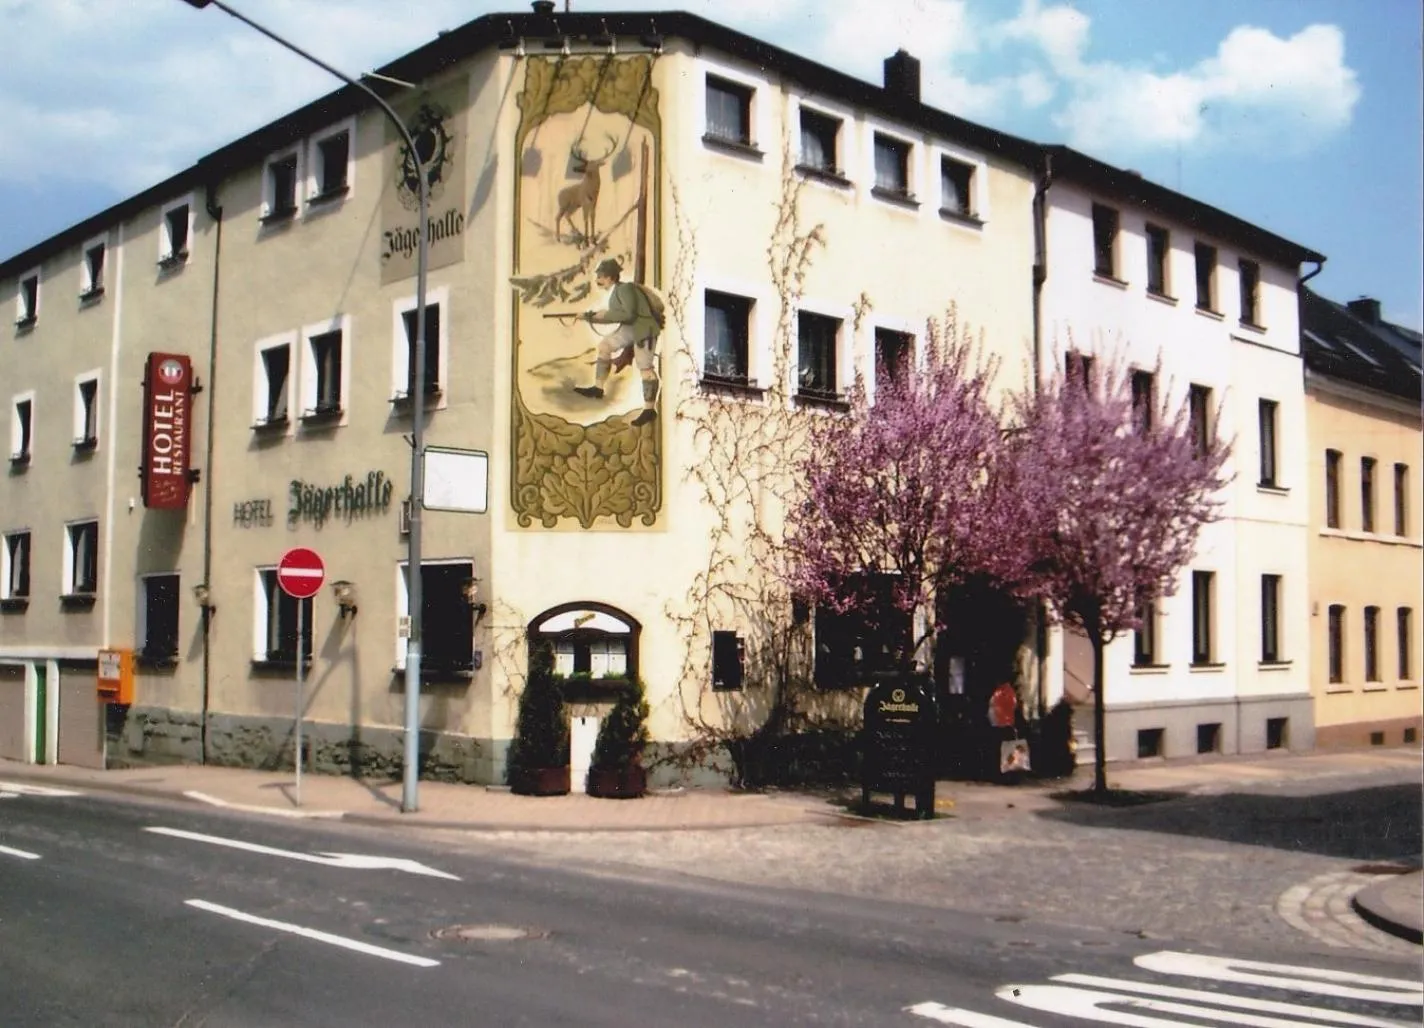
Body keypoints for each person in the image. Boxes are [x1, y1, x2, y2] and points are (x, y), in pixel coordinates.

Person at [573, 258, 662, 428]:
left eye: (600, 276)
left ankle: (649, 410)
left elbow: (628, 314)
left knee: (645, 368)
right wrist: (590, 316)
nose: (598, 280)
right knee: (605, 346)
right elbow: (618, 314)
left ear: (609, 277)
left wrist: (593, 316)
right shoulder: (617, 290)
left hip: (644, 328)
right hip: (630, 328)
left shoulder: (625, 289)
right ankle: (598, 389)